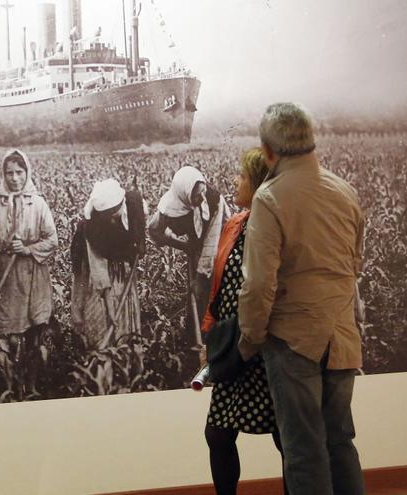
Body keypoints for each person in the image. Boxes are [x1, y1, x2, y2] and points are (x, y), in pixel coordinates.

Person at [238, 102, 365, 495]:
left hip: (294, 344)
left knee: (304, 452)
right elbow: (354, 265)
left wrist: (250, 338)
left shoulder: (270, 198)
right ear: (311, 141)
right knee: (340, 443)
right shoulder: (345, 191)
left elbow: (258, 284)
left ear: (269, 151)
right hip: (342, 340)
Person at [201, 149, 287, 495]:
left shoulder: (280, 227)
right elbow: (218, 286)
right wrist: (210, 337)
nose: (236, 181)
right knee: (218, 434)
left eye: (242, 176)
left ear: (259, 183)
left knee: (286, 437)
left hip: (270, 346)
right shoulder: (236, 224)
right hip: (235, 345)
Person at [0, 149, 58, 397]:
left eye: (19, 172)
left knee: (34, 332)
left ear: (27, 172)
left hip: (33, 273)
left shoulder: (37, 203)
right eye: (9, 173)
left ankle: (32, 384)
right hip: (7, 276)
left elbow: (52, 239)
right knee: (8, 333)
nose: (14, 178)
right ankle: (9, 385)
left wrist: (27, 248)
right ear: (3, 175)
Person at [148, 165, 230, 347]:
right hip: (195, 246)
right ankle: (195, 338)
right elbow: (154, 231)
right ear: (183, 194)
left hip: (218, 242)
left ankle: (212, 337)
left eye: (203, 193)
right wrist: (183, 246)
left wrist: (201, 274)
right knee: (196, 293)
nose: (201, 199)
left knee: (208, 289)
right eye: (196, 195)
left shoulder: (213, 200)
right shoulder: (170, 206)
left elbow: (213, 242)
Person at [70, 179, 146, 349]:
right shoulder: (91, 227)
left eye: (114, 214)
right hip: (98, 271)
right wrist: (110, 308)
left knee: (126, 310)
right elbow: (99, 269)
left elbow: (140, 224)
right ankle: (101, 352)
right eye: (107, 217)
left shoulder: (134, 202)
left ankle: (127, 349)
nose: (112, 221)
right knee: (102, 314)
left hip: (123, 267)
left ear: (121, 203)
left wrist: (140, 244)